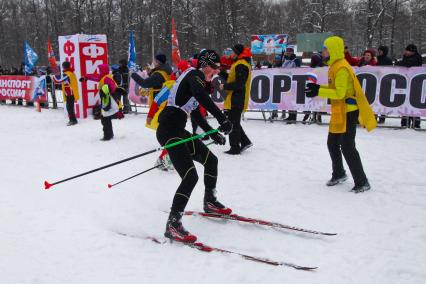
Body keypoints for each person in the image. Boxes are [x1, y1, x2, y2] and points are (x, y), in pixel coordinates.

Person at [157, 50, 233, 242]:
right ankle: (173, 224)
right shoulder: (195, 74)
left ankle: (210, 202)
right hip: (169, 130)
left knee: (211, 160)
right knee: (190, 177)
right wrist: (222, 118)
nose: (215, 73)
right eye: (215, 68)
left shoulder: (195, 80)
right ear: (206, 65)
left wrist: (211, 131)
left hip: (177, 130)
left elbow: (196, 112)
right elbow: (200, 95)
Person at [305, 36, 377, 193]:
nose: (322, 52)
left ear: (333, 50)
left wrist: (319, 90)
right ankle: (339, 174)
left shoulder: (342, 68)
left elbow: (340, 93)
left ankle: (362, 181)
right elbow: (335, 89)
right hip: (339, 111)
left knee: (347, 147)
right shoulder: (335, 66)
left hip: (349, 112)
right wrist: (317, 88)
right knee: (332, 143)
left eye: (325, 49)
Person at [220, 44, 253, 155]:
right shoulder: (239, 64)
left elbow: (239, 84)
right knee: (234, 122)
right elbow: (232, 79)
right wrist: (220, 72)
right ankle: (245, 142)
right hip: (235, 98)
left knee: (233, 123)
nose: (231, 54)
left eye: (232, 52)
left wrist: (225, 87)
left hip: (237, 98)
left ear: (237, 53)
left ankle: (234, 148)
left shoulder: (241, 65)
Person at [81, 64, 121, 140]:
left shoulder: (106, 78)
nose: (99, 72)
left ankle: (107, 136)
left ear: (103, 70)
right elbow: (95, 77)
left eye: (99, 70)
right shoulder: (103, 77)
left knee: (105, 118)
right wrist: (86, 77)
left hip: (109, 100)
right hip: (106, 99)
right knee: (105, 118)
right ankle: (109, 134)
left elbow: (113, 88)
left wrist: (106, 90)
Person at [395, 44, 422, 129]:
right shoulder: (406, 57)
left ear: (412, 51)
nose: (405, 52)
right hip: (406, 84)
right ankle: (404, 122)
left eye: (407, 51)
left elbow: (407, 64)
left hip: (415, 84)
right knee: (405, 103)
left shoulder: (417, 58)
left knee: (414, 103)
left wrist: (397, 63)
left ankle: (416, 123)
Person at [52, 62, 79, 126]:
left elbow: (57, 81)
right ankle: (73, 119)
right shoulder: (72, 73)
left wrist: (53, 76)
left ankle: (72, 120)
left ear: (64, 67)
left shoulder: (67, 74)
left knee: (69, 107)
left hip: (69, 92)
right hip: (71, 92)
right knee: (70, 107)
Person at [282, 47, 301, 123]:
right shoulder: (285, 60)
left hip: (293, 82)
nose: (288, 53)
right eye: (287, 52)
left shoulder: (296, 60)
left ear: (292, 52)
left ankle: (293, 117)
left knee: (292, 100)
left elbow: (297, 68)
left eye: (290, 52)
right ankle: (290, 116)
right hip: (286, 81)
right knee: (288, 100)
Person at [376, 46, 393, 124]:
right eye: (378, 51)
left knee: (383, 100)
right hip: (376, 81)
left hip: (385, 82)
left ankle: (382, 118)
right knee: (375, 100)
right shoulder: (376, 59)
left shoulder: (388, 60)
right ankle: (374, 116)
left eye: (380, 51)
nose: (379, 52)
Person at [308, 53, 325, 124]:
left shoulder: (317, 67)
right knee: (317, 100)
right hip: (317, 85)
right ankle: (317, 117)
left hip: (317, 84)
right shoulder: (321, 66)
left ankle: (317, 116)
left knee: (316, 99)